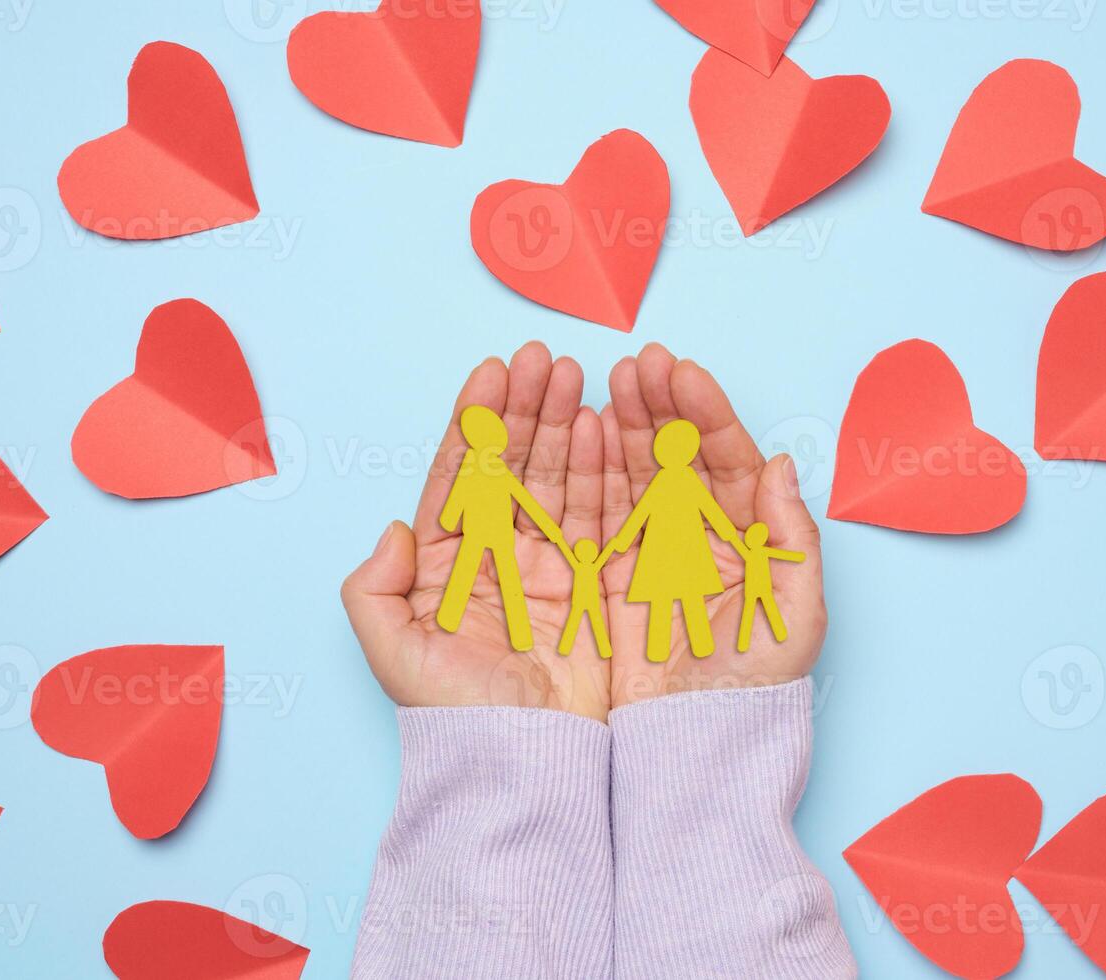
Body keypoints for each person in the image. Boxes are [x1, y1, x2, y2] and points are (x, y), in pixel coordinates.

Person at [341, 342, 853, 979]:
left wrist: (501, 757)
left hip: (658, 555)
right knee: (526, 572)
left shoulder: (506, 476)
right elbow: (535, 510)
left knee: (676, 607)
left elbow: (543, 509)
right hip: (617, 552)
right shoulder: (489, 475)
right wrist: (708, 740)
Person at [608, 418, 746, 662]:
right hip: (667, 547)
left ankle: (692, 646)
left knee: (682, 597)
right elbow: (643, 511)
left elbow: (709, 509)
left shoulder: (682, 479)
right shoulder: (666, 480)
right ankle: (669, 648)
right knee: (673, 598)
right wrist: (624, 538)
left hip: (679, 547)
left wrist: (729, 534)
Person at [436, 403, 565, 652]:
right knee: (488, 576)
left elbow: (522, 497)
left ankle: (514, 634)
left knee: (493, 577)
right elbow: (462, 492)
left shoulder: (491, 466)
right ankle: (455, 619)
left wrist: (549, 527)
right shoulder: (476, 463)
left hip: (492, 530)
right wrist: (450, 518)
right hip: (484, 529)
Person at [737, 521, 806, 652]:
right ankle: (746, 642)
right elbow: (782, 554)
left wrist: (798, 557)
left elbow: (782, 555)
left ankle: (746, 642)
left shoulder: (755, 552)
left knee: (755, 611)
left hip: (758, 587)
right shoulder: (754, 552)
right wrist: (798, 556)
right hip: (756, 587)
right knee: (756, 611)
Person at [559, 538, 613, 658]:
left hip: (588, 600)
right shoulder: (582, 566)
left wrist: (611, 545)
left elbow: (605, 556)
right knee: (577, 623)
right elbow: (566, 552)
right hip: (583, 600)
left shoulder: (586, 567)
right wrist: (559, 541)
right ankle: (565, 647)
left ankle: (605, 651)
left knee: (593, 624)